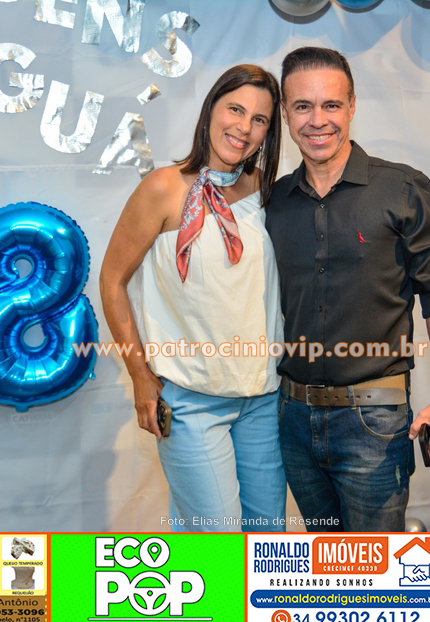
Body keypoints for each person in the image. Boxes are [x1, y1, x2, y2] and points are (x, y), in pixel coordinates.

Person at [266, 47, 430, 532]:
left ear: (352, 106)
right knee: (326, 560)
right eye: (303, 106)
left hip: (374, 425)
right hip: (292, 420)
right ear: (286, 114)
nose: (318, 120)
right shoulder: (274, 201)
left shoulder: (402, 189)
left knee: (373, 570)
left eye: (331, 105)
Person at [99, 64, 286, 532]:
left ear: (268, 133)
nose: (244, 127)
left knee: (268, 541)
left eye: (259, 119)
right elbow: (112, 280)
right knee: (216, 542)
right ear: (210, 110)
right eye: (235, 109)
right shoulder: (163, 188)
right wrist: (140, 375)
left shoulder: (267, 193)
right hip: (189, 402)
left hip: (263, 399)